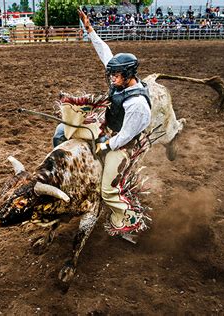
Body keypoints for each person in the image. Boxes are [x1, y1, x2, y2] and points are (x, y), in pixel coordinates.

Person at [52, 9, 152, 241]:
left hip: (124, 144)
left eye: (116, 76)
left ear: (128, 75)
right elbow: (104, 51)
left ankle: (128, 222)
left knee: (107, 191)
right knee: (61, 132)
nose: (112, 79)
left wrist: (106, 145)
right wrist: (90, 29)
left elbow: (126, 135)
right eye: (112, 74)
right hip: (108, 128)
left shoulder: (137, 104)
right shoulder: (121, 78)